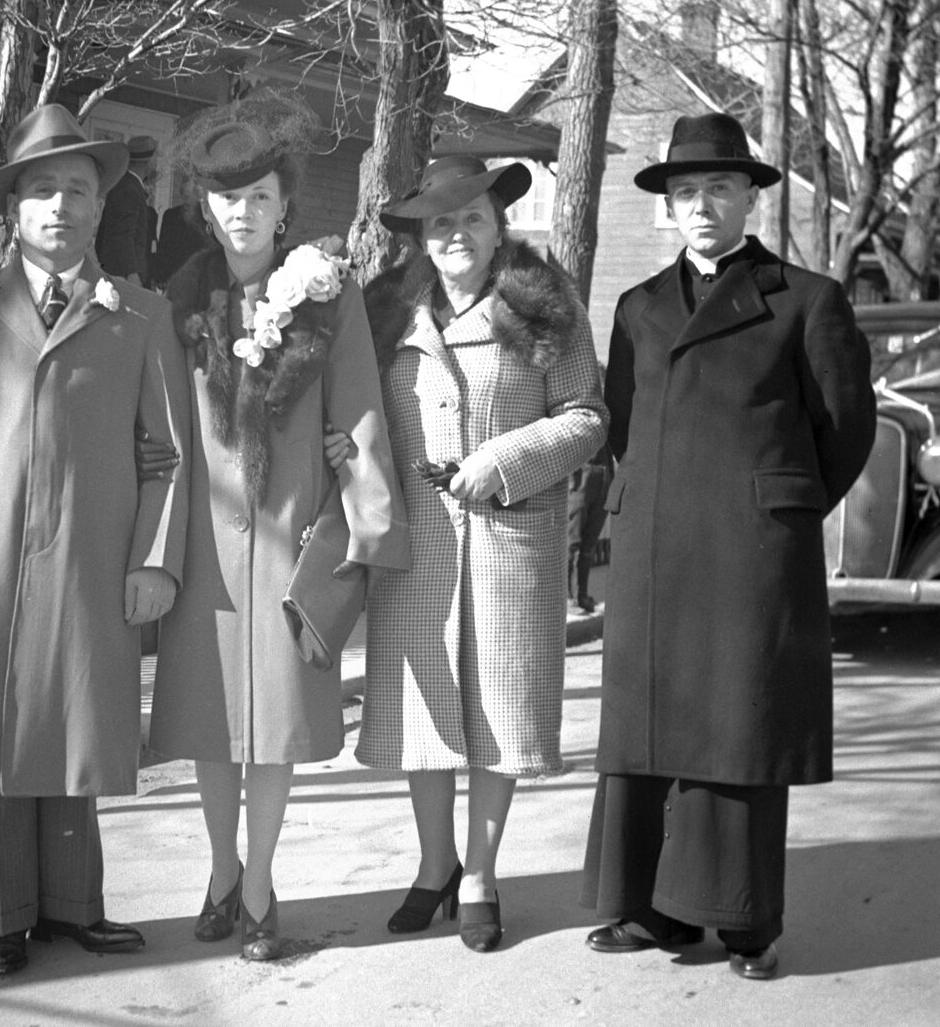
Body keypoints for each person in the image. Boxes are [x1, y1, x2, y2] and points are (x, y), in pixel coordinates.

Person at [581, 112, 875, 981]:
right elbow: (623, 428)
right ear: (668, 208)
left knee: (738, 729)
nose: (701, 206)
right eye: (684, 193)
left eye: (717, 188)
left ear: (749, 198)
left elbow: (845, 430)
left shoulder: (807, 299)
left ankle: (744, 922)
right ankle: (651, 911)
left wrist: (772, 509)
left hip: (749, 551)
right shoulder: (637, 308)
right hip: (653, 547)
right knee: (648, 727)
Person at [0, 103, 192, 977]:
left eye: (76, 190)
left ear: (99, 207)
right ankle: (2, 917)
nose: (59, 206)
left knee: (76, 727)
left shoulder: (139, 314)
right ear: (12, 208)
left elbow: (168, 454)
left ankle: (74, 907)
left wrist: (153, 559)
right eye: (40, 191)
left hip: (91, 556)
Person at [147, 88, 410, 962]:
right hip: (205, 549)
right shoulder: (176, 304)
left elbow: (359, 414)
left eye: (260, 196)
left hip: (292, 539)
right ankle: (220, 871)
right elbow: (159, 430)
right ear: (205, 207)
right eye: (227, 197)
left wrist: (356, 515)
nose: (244, 212)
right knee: (209, 724)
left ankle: (258, 883)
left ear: (284, 205)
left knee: (274, 730)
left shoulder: (329, 298)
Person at [354, 155, 608, 954]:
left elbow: (586, 416)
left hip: (508, 535)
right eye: (440, 222)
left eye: (472, 217)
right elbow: (354, 410)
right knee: (421, 711)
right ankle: (435, 866)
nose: (456, 233)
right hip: (414, 541)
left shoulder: (543, 305)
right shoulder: (384, 312)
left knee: (498, 711)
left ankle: (480, 877)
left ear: (499, 226)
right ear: (420, 237)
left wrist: (500, 462)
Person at [95, 135, 158, 284]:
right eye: (156, 156)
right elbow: (122, 235)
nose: (157, 162)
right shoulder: (129, 189)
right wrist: (132, 273)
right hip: (122, 275)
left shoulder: (128, 185)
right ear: (147, 160)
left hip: (119, 272)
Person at [568, 438, 613, 613]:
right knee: (572, 541)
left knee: (590, 543)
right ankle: (568, 598)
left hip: (604, 474)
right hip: (581, 475)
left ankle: (582, 596)